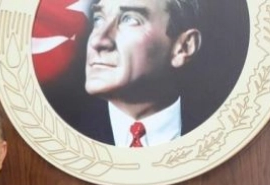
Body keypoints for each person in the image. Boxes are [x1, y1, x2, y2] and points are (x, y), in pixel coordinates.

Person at [78, 0, 203, 147]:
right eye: (98, 19)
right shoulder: (69, 131)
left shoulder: (211, 130)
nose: (97, 41)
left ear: (183, 47)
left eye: (130, 19)